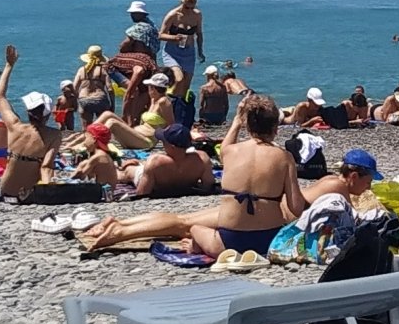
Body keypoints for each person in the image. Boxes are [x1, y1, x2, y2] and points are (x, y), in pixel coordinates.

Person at [79, 98, 306, 255]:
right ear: (275, 127)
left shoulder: (230, 152)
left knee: (191, 226)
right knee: (186, 223)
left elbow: (227, 145)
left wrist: (237, 121)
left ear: (247, 125)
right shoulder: (284, 157)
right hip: (267, 241)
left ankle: (120, 227)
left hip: (227, 243)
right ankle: (120, 226)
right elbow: (296, 208)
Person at [0, 82, 62, 203]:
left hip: (6, 191)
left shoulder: (15, 127)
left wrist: (8, 70)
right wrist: (48, 190)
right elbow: (46, 166)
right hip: (28, 194)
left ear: (28, 111)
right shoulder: (54, 135)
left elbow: (0, 96)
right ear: (47, 116)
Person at [132, 122, 216, 199]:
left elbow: (142, 193)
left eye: (164, 141)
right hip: (186, 186)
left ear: (171, 146)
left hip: (158, 186)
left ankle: (126, 167)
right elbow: (208, 186)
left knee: (130, 170)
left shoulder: (155, 161)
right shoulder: (202, 159)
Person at [303, 147, 382, 205]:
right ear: (354, 176)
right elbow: (352, 217)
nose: (369, 188)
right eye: (368, 182)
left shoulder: (331, 178)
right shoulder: (339, 187)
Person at [157, 0, 204, 85]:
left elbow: (199, 34)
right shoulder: (173, 15)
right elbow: (160, 35)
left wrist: (200, 51)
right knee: (179, 79)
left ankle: (176, 95)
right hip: (172, 52)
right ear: (182, 3)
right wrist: (174, 37)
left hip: (189, 52)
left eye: (192, 8)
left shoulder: (197, 15)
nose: (189, 10)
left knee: (186, 83)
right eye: (187, 7)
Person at [74, 46, 114, 125]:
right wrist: (112, 105)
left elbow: (74, 88)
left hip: (84, 99)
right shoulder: (102, 70)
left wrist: (75, 103)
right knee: (102, 126)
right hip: (100, 99)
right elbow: (110, 89)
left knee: (86, 127)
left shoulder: (81, 70)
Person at [196, 62, 238, 130]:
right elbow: (226, 105)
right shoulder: (222, 87)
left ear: (208, 76)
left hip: (208, 116)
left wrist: (201, 118)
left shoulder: (204, 88)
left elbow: (201, 106)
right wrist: (224, 116)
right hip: (220, 116)